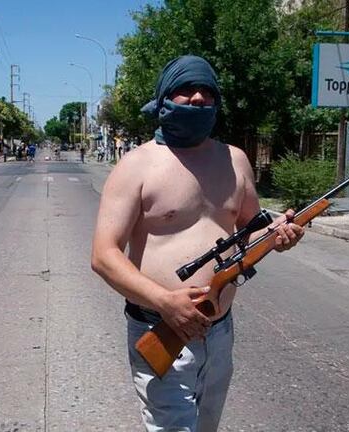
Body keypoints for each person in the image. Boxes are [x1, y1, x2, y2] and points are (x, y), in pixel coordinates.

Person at [90, 55, 304, 432]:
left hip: (219, 330)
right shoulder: (136, 165)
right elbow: (104, 256)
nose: (198, 98)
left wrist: (277, 236)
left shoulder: (235, 160)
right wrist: (164, 302)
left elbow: (250, 229)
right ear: (163, 99)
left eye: (207, 90)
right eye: (185, 89)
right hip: (160, 326)